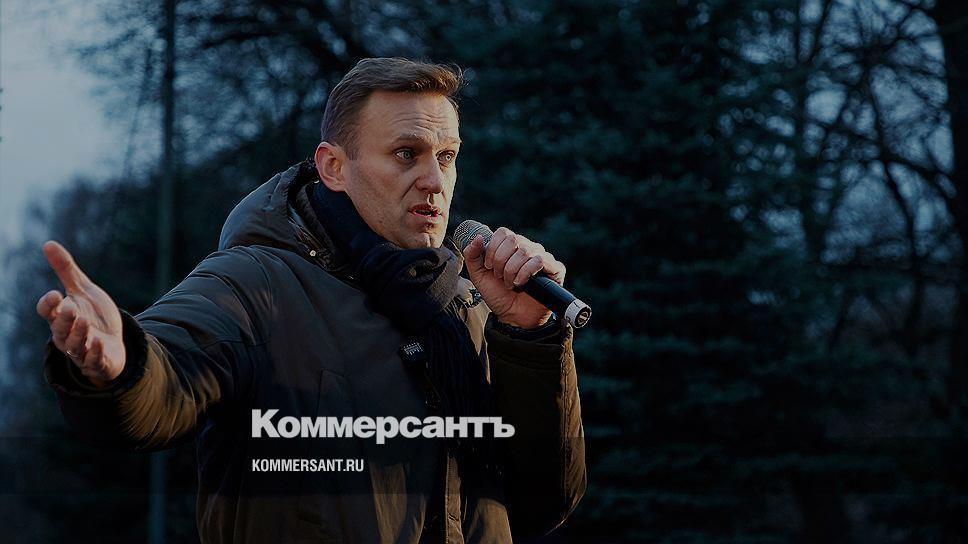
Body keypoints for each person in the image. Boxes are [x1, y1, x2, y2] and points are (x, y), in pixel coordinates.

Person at [36, 57, 586, 544]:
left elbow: (541, 504)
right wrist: (121, 367)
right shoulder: (258, 283)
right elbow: (166, 381)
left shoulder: (472, 305)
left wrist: (531, 337)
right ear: (333, 167)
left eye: (446, 156)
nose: (434, 181)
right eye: (406, 154)